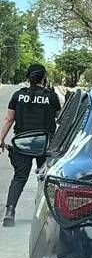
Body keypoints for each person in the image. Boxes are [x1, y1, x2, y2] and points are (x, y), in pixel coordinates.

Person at [1, 64, 61, 227]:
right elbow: (60, 119)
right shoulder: (51, 97)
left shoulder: (18, 95)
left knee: (19, 177)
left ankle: (10, 211)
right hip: (45, 145)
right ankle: (45, 215)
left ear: (29, 78)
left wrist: (1, 139)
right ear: (44, 78)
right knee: (46, 179)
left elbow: (8, 119)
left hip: (22, 144)